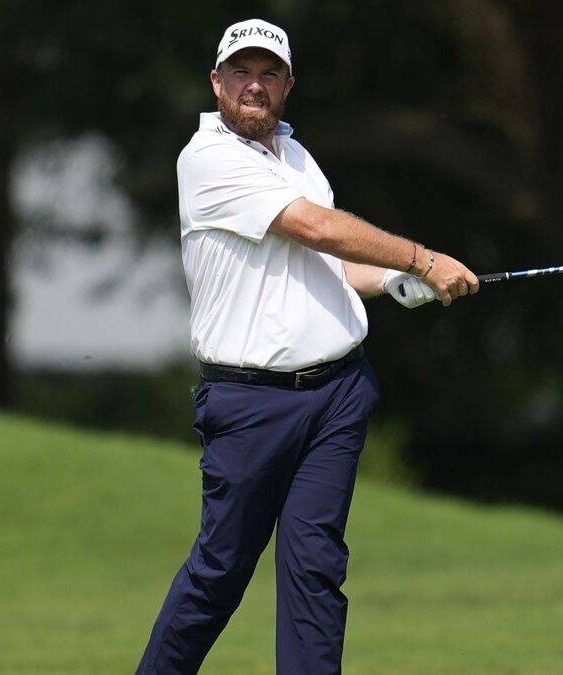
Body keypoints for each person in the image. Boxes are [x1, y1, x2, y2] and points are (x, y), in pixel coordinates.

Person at [136, 18, 479, 674]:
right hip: (251, 403)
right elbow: (315, 227)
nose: (254, 85)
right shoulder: (206, 159)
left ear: (288, 85)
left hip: (337, 394)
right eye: (241, 72)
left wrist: (393, 279)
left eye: (269, 74)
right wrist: (423, 259)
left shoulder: (296, 157)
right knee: (220, 572)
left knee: (316, 570)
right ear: (216, 82)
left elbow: (327, 263)